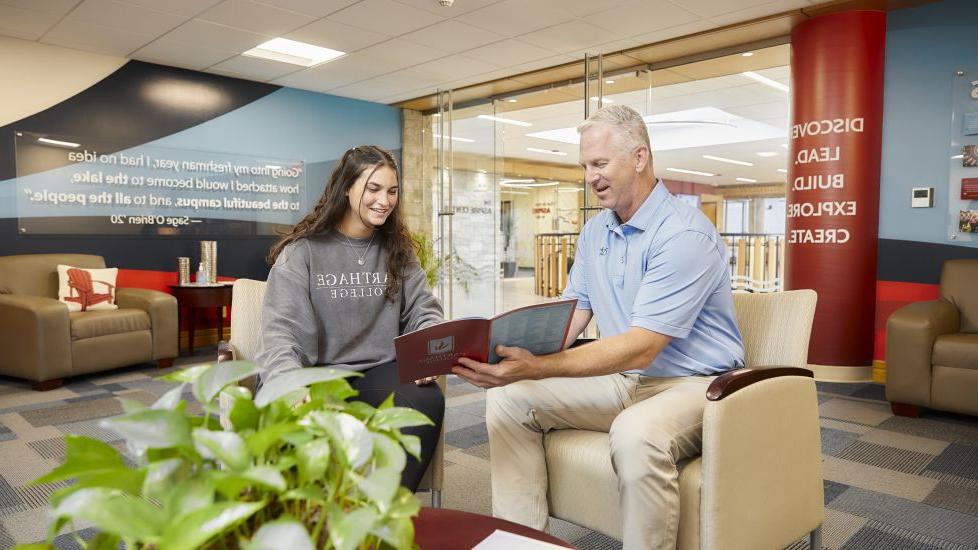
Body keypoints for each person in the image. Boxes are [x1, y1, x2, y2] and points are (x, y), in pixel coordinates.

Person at [452, 105, 745, 549]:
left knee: (636, 435)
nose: (590, 176)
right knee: (508, 399)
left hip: (696, 385)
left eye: (600, 163)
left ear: (640, 157)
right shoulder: (595, 233)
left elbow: (642, 347)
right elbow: (575, 313)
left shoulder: (684, 234)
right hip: (627, 380)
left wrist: (538, 367)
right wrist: (499, 350)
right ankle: (524, 543)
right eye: (585, 166)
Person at [257, 145, 444, 492]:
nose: (384, 200)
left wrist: (428, 344)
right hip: (316, 377)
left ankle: (385, 512)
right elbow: (280, 333)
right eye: (373, 189)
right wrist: (288, 384)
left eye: (392, 190)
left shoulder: (398, 252)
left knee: (427, 400)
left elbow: (424, 309)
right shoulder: (302, 253)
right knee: (290, 422)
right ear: (346, 188)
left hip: (376, 372)